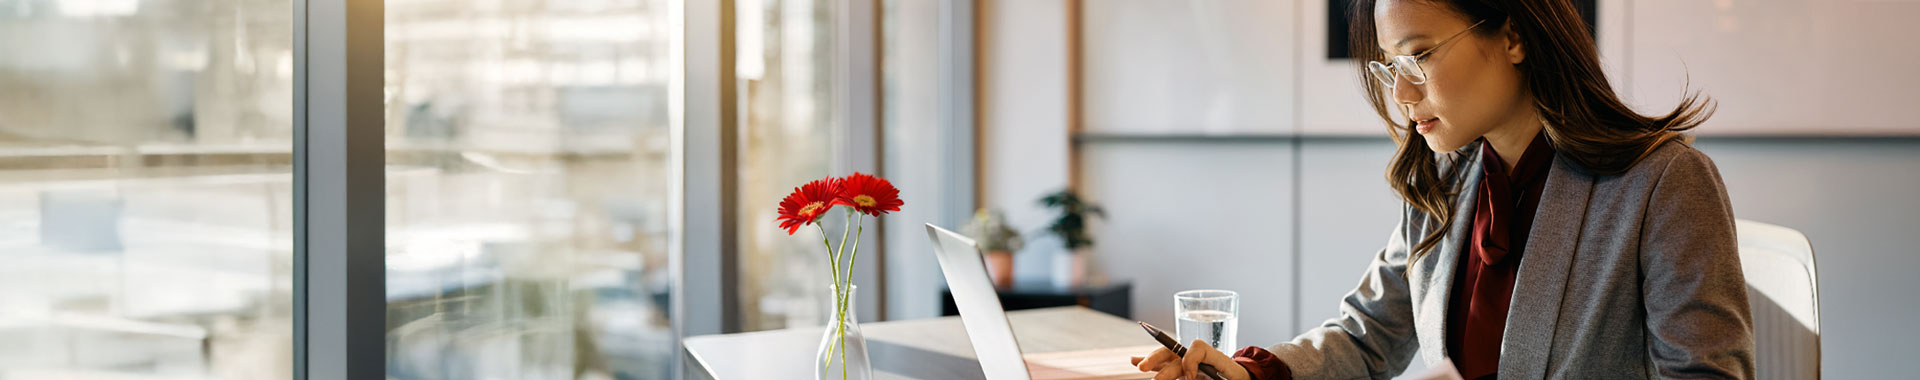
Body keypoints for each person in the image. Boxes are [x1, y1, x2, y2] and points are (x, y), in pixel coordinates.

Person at [1132, 0, 1755, 378]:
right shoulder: (1449, 178)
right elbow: (1368, 338)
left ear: (1512, 37)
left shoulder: (1662, 184)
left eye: (1418, 56)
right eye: (1389, 65)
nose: (1401, 94)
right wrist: (1245, 374)